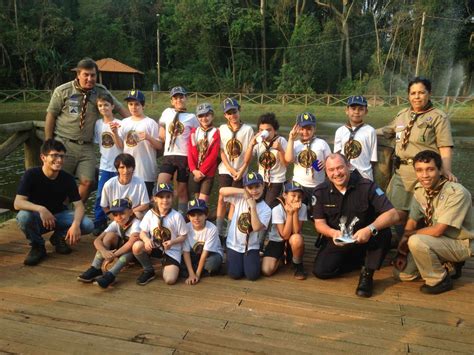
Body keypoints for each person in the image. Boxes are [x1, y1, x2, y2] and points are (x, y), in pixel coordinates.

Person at [312, 153, 398, 297]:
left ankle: (367, 273)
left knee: (383, 232)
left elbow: (392, 214)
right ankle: (360, 259)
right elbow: (319, 224)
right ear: (326, 172)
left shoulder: (367, 186)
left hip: (365, 236)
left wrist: (369, 229)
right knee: (321, 271)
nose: (336, 173)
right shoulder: (320, 191)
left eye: (340, 168)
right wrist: (333, 233)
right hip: (340, 239)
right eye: (331, 170)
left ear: (349, 166)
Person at [44, 57, 128, 201]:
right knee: (57, 179)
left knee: (88, 181)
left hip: (87, 146)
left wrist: (134, 124)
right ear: (78, 75)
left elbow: (119, 107)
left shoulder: (100, 91)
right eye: (86, 75)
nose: (90, 78)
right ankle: (56, 212)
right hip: (64, 143)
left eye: (93, 75)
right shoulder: (63, 91)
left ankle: (74, 213)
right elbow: (51, 116)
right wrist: (48, 143)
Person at [393, 150, 473, 294]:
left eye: (430, 169)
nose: (424, 175)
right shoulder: (420, 190)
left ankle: (439, 279)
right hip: (437, 241)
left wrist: (410, 235)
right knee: (403, 274)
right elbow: (412, 221)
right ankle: (446, 264)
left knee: (417, 241)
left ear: (440, 170)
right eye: (419, 170)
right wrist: (402, 251)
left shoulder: (456, 193)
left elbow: (438, 230)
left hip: (461, 243)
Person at [381, 77, 456, 227]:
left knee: (420, 214)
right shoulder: (402, 115)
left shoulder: (438, 117)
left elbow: (445, 146)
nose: (416, 97)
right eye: (413, 93)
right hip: (401, 173)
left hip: (423, 173)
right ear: (408, 95)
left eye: (421, 92)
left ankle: (415, 245)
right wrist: (364, 133)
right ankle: (404, 241)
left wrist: (446, 170)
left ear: (429, 94)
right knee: (396, 212)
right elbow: (387, 131)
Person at [14, 139, 94, 266]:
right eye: (54, 155)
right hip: (38, 218)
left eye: (62, 156)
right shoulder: (31, 174)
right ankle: (38, 246)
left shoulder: (67, 178)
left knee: (88, 225)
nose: (59, 160)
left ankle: (58, 237)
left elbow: (79, 206)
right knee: (23, 216)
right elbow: (17, 203)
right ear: (43, 157)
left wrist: (75, 225)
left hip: (58, 216)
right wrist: (41, 209)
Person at [77, 198, 140, 288]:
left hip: (135, 254)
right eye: (115, 214)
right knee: (109, 236)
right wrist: (104, 252)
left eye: (122, 213)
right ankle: (95, 268)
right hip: (119, 252)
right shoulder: (115, 223)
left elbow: (130, 244)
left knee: (129, 252)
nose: (119, 217)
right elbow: (97, 240)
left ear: (130, 212)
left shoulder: (136, 223)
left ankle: (111, 275)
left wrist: (113, 255)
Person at [220, 172, 272, 281]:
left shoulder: (266, 208)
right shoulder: (239, 199)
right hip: (234, 244)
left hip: (251, 246)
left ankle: (254, 258)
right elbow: (222, 191)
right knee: (235, 275)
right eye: (250, 187)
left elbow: (257, 227)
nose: (254, 191)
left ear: (263, 186)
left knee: (252, 276)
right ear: (245, 188)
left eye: (257, 186)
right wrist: (243, 192)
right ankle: (239, 260)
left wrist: (253, 207)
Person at [132, 183, 187, 285]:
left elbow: (184, 236)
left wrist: (172, 241)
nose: (165, 200)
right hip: (155, 246)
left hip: (171, 250)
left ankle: (169, 264)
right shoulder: (150, 214)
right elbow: (142, 232)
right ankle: (149, 270)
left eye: (168, 197)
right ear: (155, 199)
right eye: (161, 197)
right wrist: (146, 240)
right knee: (137, 246)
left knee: (170, 280)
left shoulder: (177, 216)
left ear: (172, 198)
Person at [215, 98, 254, 240]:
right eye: (229, 113)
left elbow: (249, 152)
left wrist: (242, 170)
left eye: (235, 111)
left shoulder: (248, 129)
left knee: (234, 201)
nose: (233, 115)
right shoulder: (222, 129)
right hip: (226, 169)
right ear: (225, 115)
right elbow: (221, 152)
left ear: (239, 110)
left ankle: (229, 231)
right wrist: (230, 169)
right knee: (222, 197)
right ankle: (219, 231)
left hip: (241, 169)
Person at [158, 86, 199, 214]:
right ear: (172, 101)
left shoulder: (192, 117)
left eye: (181, 97)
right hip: (169, 155)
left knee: (182, 189)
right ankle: (160, 213)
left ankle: (182, 216)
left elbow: (197, 135)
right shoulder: (167, 112)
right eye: (175, 98)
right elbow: (161, 131)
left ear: (186, 98)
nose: (178, 100)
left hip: (184, 156)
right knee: (161, 184)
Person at [261, 181, 308, 280]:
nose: (296, 199)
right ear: (285, 195)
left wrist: (294, 212)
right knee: (267, 270)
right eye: (293, 195)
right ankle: (281, 257)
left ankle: (297, 263)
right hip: (277, 240)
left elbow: (296, 232)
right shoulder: (277, 208)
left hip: (292, 241)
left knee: (297, 239)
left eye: (299, 196)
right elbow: (284, 235)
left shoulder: (302, 207)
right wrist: (289, 214)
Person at [120, 90, 162, 197]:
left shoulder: (150, 123)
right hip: (127, 170)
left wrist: (148, 137)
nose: (133, 107)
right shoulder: (124, 122)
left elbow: (159, 146)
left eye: (137, 104)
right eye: (130, 104)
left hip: (145, 170)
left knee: (145, 201)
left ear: (143, 106)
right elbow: (120, 146)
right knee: (127, 201)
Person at [92, 93, 123, 236]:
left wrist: (115, 132)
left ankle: (119, 222)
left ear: (112, 106)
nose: (103, 108)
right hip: (104, 166)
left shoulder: (120, 123)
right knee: (100, 195)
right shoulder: (98, 124)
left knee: (119, 196)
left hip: (118, 167)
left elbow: (121, 146)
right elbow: (98, 144)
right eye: (100, 105)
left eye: (106, 105)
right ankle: (99, 222)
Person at [285, 112, 331, 207]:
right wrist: (291, 139)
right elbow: (288, 159)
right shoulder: (295, 144)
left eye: (309, 129)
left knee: (318, 214)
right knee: (298, 212)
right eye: (302, 129)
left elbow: (331, 162)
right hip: (299, 185)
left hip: (318, 185)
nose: (305, 132)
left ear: (314, 129)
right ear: (297, 129)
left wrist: (326, 163)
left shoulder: (322, 143)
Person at [245, 113, 288, 209]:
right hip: (261, 180)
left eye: (268, 130)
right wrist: (251, 145)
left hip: (276, 180)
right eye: (261, 130)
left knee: (269, 207)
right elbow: (246, 161)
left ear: (274, 130)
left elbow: (285, 164)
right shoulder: (258, 141)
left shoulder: (281, 141)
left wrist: (280, 149)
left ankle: (271, 224)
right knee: (257, 206)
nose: (265, 132)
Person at [334, 96, 377, 181]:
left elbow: (373, 159)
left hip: (364, 175)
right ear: (347, 110)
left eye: (361, 109)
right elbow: (337, 155)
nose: (357, 112)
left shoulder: (370, 131)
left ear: (366, 111)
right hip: (345, 174)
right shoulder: (340, 131)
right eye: (353, 109)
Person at [181, 199, 224, 285]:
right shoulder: (186, 227)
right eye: (193, 215)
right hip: (194, 253)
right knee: (180, 261)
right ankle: (204, 271)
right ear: (188, 217)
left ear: (206, 215)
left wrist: (197, 275)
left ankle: (201, 270)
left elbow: (205, 254)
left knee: (212, 263)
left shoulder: (212, 228)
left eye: (200, 214)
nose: (196, 218)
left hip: (210, 253)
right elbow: (186, 252)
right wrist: (191, 274)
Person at [187, 103, 220, 202]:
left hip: (208, 172)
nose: (204, 118)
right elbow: (190, 152)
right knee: (194, 201)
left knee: (203, 201)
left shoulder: (216, 132)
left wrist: (202, 172)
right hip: (194, 171)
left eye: (207, 115)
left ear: (212, 116)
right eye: (200, 116)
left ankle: (205, 217)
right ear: (197, 117)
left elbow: (213, 155)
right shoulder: (194, 132)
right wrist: (194, 170)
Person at [100, 153, 149, 220]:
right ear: (117, 169)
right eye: (122, 167)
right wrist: (115, 219)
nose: (125, 171)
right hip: (116, 216)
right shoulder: (109, 184)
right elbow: (104, 206)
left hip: (134, 214)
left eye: (128, 167)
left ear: (133, 168)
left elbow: (145, 204)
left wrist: (129, 213)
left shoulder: (140, 182)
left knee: (139, 214)